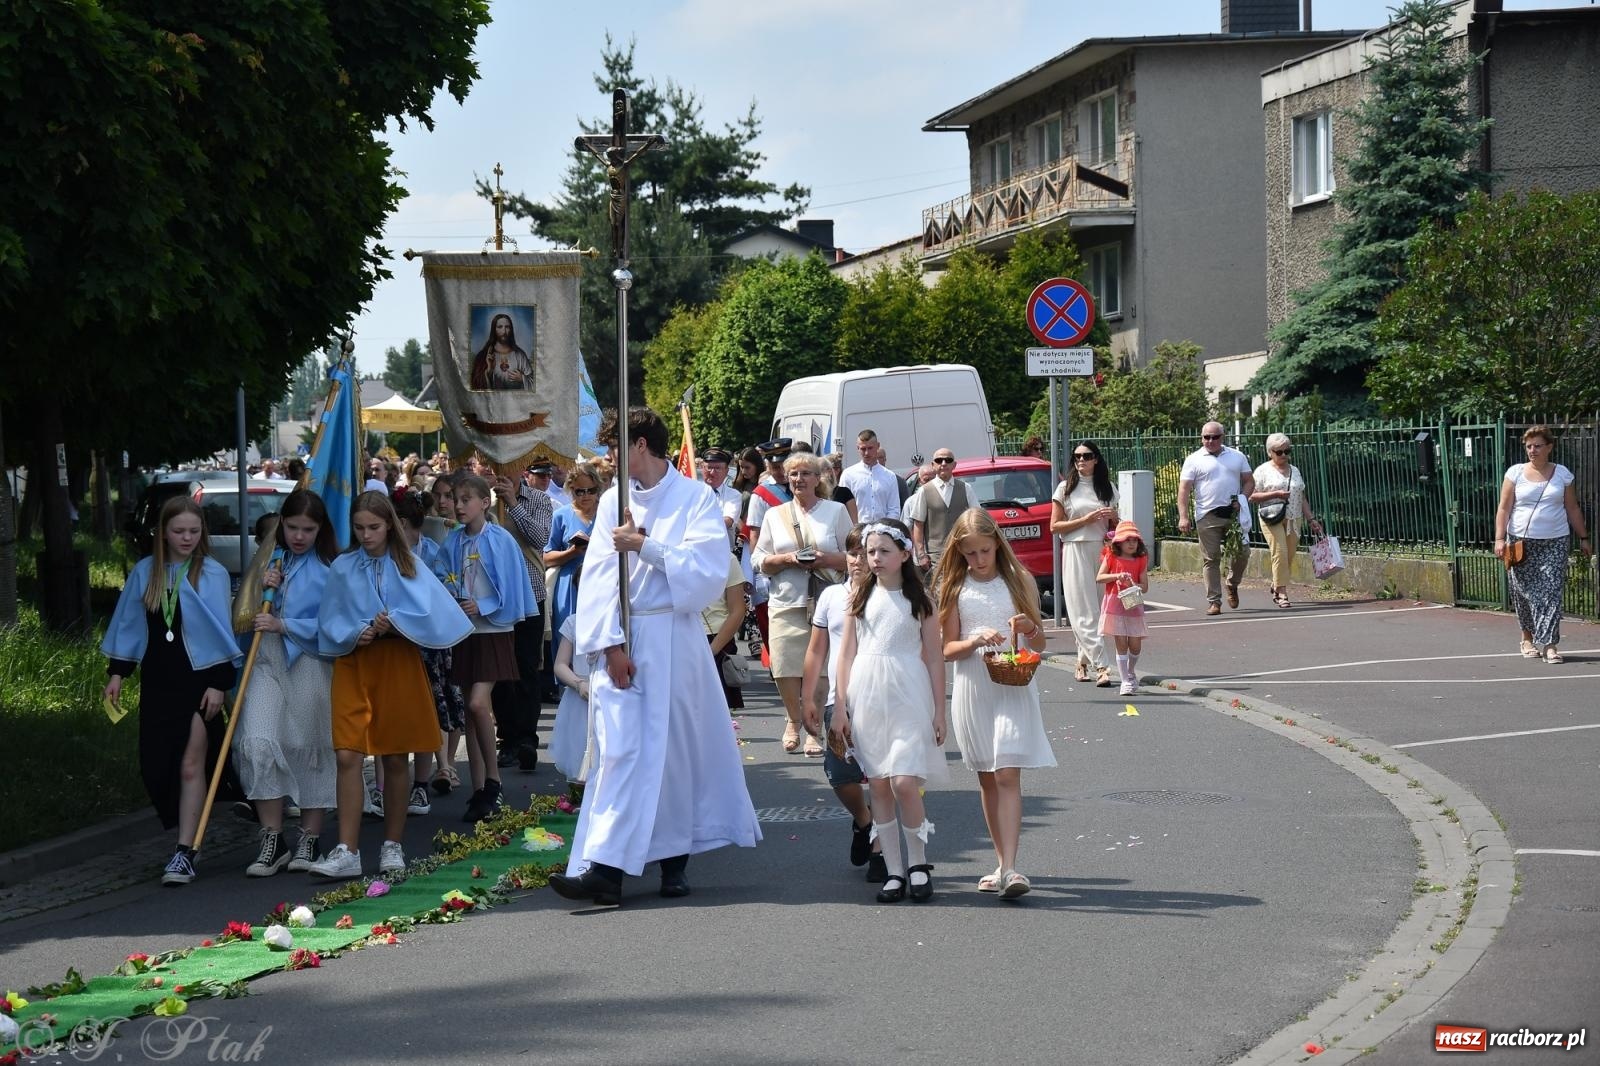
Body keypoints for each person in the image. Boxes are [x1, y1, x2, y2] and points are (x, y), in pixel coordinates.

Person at [549, 407, 761, 907]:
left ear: (640, 445)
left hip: (675, 635)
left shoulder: (694, 497)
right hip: (626, 637)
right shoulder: (609, 504)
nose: (608, 457)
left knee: (674, 752)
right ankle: (604, 871)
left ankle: (673, 862)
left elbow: (709, 570)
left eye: (615, 447)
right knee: (619, 752)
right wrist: (612, 646)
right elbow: (600, 577)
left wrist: (644, 546)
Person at [311, 492, 471, 879]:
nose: (366, 535)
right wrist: (357, 631)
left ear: (389, 526)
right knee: (347, 754)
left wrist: (395, 621)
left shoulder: (409, 564)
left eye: (374, 527)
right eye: (359, 528)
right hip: (355, 661)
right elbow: (330, 618)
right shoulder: (343, 567)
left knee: (396, 755)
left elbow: (432, 613)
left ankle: (392, 845)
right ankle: (347, 849)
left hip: (397, 662)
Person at [102, 497, 243, 886]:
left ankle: (186, 851)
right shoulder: (145, 572)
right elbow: (129, 624)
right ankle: (185, 834)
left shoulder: (210, 573)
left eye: (194, 532)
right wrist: (118, 673)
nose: (187, 538)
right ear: (163, 531)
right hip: (160, 680)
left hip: (199, 681)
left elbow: (219, 630)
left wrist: (219, 682)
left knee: (190, 764)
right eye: (179, 531)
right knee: (157, 763)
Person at [935, 508, 1053, 899]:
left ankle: (1012, 868)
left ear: (997, 545)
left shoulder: (1018, 579)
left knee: (1007, 772)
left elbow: (1040, 644)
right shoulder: (955, 586)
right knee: (987, 776)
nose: (979, 560)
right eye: (970, 554)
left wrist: (1030, 628)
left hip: (1013, 684)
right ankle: (1002, 864)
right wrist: (972, 640)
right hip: (974, 686)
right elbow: (947, 649)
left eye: (984, 550)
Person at [831, 519, 946, 904]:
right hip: (867, 694)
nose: (874, 558)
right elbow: (846, 654)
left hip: (908, 693)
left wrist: (939, 710)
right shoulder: (859, 599)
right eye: (870, 551)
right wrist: (840, 706)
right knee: (878, 782)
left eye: (883, 551)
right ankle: (894, 869)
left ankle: (918, 862)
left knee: (903, 782)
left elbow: (933, 658)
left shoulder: (921, 601)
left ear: (904, 554)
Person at [234, 490, 339, 877]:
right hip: (267, 659)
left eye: (307, 529)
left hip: (310, 662)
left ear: (319, 530)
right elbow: (244, 611)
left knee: (310, 746)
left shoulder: (329, 570)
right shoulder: (270, 560)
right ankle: (272, 836)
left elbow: (333, 627)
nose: (298, 535)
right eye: (292, 527)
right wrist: (261, 591)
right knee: (257, 741)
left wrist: (285, 624)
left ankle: (309, 837)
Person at [438, 474, 538, 821]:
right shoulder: (452, 541)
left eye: (467, 499)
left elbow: (512, 584)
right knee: (469, 708)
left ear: (484, 502)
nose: (459, 505)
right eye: (455, 498)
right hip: (466, 633)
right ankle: (479, 789)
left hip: (494, 629)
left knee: (480, 703)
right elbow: (442, 578)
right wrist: (452, 599)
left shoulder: (500, 539)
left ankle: (493, 780)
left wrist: (483, 605)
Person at [801, 525, 886, 882]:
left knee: (885, 775)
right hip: (841, 698)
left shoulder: (889, 594)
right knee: (839, 772)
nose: (856, 561)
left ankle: (882, 849)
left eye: (863, 553)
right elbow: (817, 649)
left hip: (883, 695)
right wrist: (808, 698)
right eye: (851, 553)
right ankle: (865, 821)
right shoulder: (832, 596)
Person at [753, 452, 851, 757]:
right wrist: (784, 560)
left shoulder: (835, 512)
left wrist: (824, 559)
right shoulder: (774, 515)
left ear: (817, 478)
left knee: (821, 668)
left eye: (806, 473)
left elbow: (855, 557)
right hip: (785, 600)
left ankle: (814, 729)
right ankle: (793, 720)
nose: (799, 479)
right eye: (793, 474)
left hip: (826, 600)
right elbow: (758, 560)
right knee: (784, 665)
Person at [1495, 425, 1592, 663]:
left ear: (1549, 447)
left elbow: (1572, 507)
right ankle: (1527, 639)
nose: (1533, 450)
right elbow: (1504, 507)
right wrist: (1499, 538)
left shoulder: (1562, 474)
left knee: (1550, 592)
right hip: (1520, 542)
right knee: (1523, 592)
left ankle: (1550, 645)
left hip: (1554, 542)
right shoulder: (1515, 473)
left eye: (1538, 446)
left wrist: (1584, 537)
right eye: (1529, 446)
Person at [394, 490, 464, 806]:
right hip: (397, 644)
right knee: (397, 715)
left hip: (429, 644)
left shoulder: (433, 552)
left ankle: (423, 782)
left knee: (430, 711)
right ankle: (384, 787)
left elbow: (446, 592)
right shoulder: (385, 555)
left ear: (404, 523)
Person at [494, 469, 552, 771]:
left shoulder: (539, 500)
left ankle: (528, 737)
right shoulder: (483, 499)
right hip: (495, 597)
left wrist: (512, 505)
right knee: (502, 670)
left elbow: (540, 537)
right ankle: (508, 738)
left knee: (527, 666)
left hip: (530, 592)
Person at [1050, 440, 1120, 685]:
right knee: (1082, 610)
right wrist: (1085, 519)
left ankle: (1081, 662)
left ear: (1096, 459)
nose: (1081, 460)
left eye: (1087, 456)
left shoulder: (1107, 488)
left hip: (1101, 549)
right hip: (1075, 547)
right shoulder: (1065, 488)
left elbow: (1116, 528)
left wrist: (1114, 517)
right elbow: (1055, 526)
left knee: (1098, 609)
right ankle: (1103, 666)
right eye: (1077, 457)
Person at [1177, 422, 1256, 616]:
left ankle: (1232, 583)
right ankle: (1214, 601)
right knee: (1211, 559)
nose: (1210, 441)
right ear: (1201, 438)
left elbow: (1249, 481)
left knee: (1242, 553)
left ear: (1223, 436)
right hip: (1207, 515)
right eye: (1206, 437)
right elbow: (1184, 490)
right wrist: (1183, 517)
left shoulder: (1237, 456)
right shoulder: (1194, 459)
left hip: (1233, 514)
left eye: (1214, 437)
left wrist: (1242, 499)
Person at [1250, 433, 1323, 609]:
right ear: (1270, 452)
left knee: (1289, 555)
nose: (1283, 455)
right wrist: (1275, 494)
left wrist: (1311, 518)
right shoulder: (1262, 470)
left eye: (1287, 451)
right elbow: (1252, 496)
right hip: (1271, 517)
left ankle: (1276, 583)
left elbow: (1301, 496)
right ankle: (1281, 592)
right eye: (1279, 451)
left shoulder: (1295, 470)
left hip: (1293, 517)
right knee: (1280, 552)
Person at [543, 461, 601, 655]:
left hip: (602, 581)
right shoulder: (561, 515)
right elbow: (546, 556)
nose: (585, 496)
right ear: (570, 489)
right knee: (567, 641)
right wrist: (572, 552)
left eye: (590, 491)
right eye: (579, 491)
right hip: (569, 586)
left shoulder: (608, 513)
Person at [1097, 521, 1152, 696]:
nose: (1131, 544)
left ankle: (1130, 670)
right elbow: (1100, 577)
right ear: (1118, 542)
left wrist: (1132, 583)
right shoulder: (1111, 557)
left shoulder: (1140, 559)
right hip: (1115, 604)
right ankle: (1125, 681)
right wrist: (1116, 576)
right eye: (1127, 540)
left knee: (1135, 645)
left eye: (1134, 540)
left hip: (1133, 604)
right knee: (1121, 643)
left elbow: (1144, 587)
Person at [906, 447, 972, 572]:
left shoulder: (966, 489)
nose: (943, 463)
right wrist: (921, 554)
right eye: (939, 460)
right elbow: (918, 525)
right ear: (933, 465)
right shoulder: (924, 491)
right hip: (935, 557)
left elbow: (976, 518)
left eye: (948, 460)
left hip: (964, 553)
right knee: (940, 591)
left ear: (954, 465)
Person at [839, 429, 902, 523]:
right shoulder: (848, 475)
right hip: (857, 532)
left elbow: (894, 509)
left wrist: (885, 529)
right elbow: (842, 508)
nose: (867, 453)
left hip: (883, 531)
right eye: (863, 449)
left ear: (878, 446)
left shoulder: (889, 476)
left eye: (870, 448)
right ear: (857, 448)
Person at [470, 312, 533, 390]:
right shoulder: (483, 355)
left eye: (507, 327)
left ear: (511, 330)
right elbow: (475, 384)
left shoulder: (520, 355)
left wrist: (522, 379)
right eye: (500, 327)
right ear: (494, 330)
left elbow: (534, 383)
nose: (504, 331)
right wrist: (489, 370)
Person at [826, 452, 859, 524]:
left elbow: (854, 522)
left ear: (837, 470)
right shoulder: (816, 491)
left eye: (826, 469)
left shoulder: (844, 492)